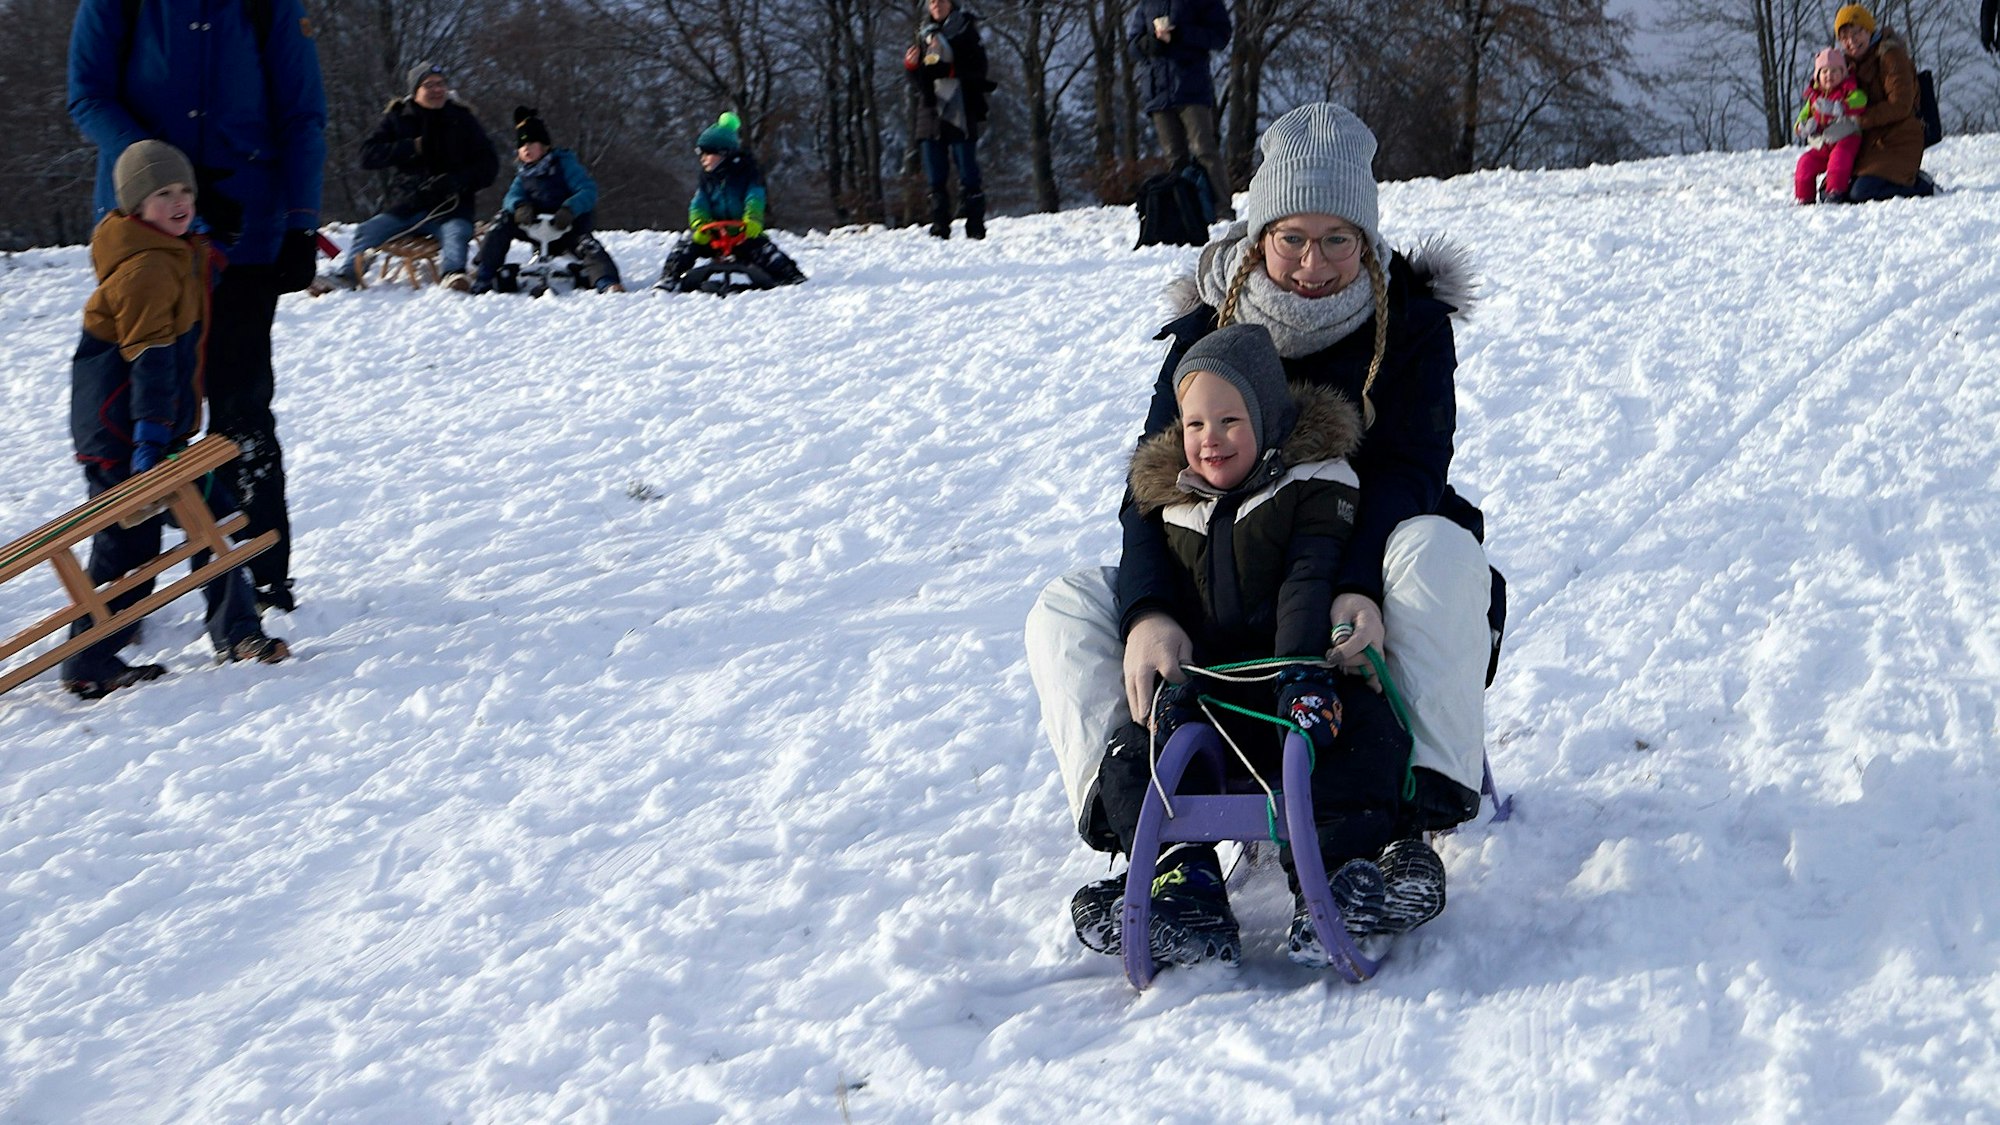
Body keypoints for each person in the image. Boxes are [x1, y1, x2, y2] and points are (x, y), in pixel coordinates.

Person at [1025, 102, 1492, 971]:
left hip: (1362, 563)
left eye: (1337, 239)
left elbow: (1408, 469)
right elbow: (1152, 482)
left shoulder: (1412, 326)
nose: (1313, 264)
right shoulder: (1206, 333)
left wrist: (1354, 582)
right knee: (1068, 605)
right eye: (1292, 238)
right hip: (1228, 575)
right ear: (1258, 234)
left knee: (1437, 547)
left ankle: (1404, 824)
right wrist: (1149, 609)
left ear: (1367, 240)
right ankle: (1163, 855)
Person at [1061, 321, 1441, 971]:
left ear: (1267, 420)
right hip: (1211, 694)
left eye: (1230, 421)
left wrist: (1302, 675)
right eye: (1196, 425)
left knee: (1365, 736)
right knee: (1131, 753)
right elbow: (1168, 596)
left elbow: (1305, 582)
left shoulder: (1312, 489)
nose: (1211, 441)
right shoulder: (1173, 504)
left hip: (1303, 684)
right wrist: (1173, 683)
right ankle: (1179, 885)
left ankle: (1349, 874)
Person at [68, 0, 327, 616]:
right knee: (137, 414)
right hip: (146, 239)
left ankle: (255, 575)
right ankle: (122, 597)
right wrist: (164, 172)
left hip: (245, 238)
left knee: (239, 410)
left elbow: (301, 113)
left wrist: (300, 222)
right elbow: (89, 95)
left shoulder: (270, 8)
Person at [62, 142, 290, 700]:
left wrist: (208, 255)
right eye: (162, 194)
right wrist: (148, 438)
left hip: (157, 429)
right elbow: (150, 360)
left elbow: (189, 292)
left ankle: (236, 632)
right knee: (128, 547)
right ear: (136, 206)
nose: (178, 202)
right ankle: (88, 659)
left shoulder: (170, 253)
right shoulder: (144, 269)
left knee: (214, 518)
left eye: (184, 191)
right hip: (124, 433)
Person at [317, 62, 499, 293]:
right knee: (368, 230)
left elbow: (489, 165)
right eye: (429, 85)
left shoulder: (463, 120)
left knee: (456, 234)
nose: (437, 90)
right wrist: (412, 147)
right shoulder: (399, 118)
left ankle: (453, 274)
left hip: (450, 206)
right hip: (407, 205)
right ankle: (348, 275)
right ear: (416, 91)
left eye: (441, 84)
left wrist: (457, 181)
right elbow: (367, 155)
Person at [471, 108, 624, 294]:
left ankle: (606, 281)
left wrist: (570, 208)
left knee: (588, 246)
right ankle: (484, 274)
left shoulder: (564, 165)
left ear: (544, 146)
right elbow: (511, 196)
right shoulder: (523, 175)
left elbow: (587, 190)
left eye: (531, 143)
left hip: (567, 226)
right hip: (534, 227)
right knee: (500, 222)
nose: (526, 148)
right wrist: (519, 206)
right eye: (521, 145)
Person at [654, 113, 807, 291]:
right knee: (687, 243)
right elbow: (699, 203)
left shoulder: (747, 174)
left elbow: (755, 197)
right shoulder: (707, 179)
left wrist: (753, 219)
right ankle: (669, 277)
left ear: (723, 153)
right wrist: (700, 224)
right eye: (700, 153)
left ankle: (790, 275)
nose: (702, 158)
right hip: (713, 234)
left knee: (763, 248)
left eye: (707, 153)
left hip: (742, 233)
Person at [1128, 0, 1235, 222]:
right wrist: (1147, 44)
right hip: (1158, 91)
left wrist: (1183, 34)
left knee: (1204, 149)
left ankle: (1223, 209)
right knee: (1174, 157)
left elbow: (1221, 36)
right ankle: (1183, 212)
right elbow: (1132, 45)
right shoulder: (1147, 4)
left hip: (1191, 87)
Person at [904, 0, 994, 239]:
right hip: (930, 112)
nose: (936, 5)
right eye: (932, 1)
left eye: (941, 0)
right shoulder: (923, 33)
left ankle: (975, 226)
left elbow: (979, 68)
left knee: (967, 170)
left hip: (960, 108)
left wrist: (950, 69)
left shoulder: (966, 29)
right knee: (935, 174)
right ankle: (939, 227)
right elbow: (919, 82)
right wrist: (911, 67)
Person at [1834, 3, 1934, 202]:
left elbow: (1901, 105)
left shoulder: (1890, 55)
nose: (1851, 41)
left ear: (1869, 30)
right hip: (1870, 142)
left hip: (1900, 136)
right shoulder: (1846, 65)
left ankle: (1922, 187)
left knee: (1862, 193)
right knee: (1835, 191)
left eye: (1856, 33)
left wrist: (1859, 120)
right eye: (1845, 37)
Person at [1793, 46, 1867, 204]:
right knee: (1805, 163)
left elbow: (1861, 101)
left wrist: (1841, 106)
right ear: (1818, 76)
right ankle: (1804, 198)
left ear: (1843, 73)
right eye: (1824, 72)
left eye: (1835, 71)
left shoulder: (1849, 90)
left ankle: (1835, 192)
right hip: (1823, 143)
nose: (1829, 76)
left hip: (1846, 138)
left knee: (1838, 159)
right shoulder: (1814, 97)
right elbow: (1803, 115)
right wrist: (1803, 126)